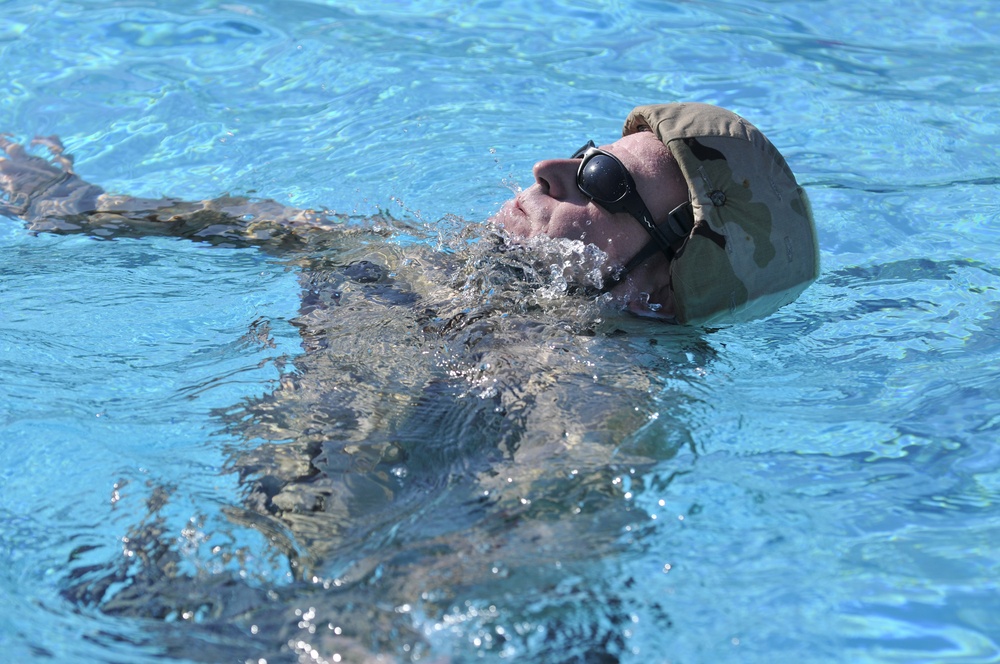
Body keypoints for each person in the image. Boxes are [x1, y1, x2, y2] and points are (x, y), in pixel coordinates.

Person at [2, 102, 819, 661]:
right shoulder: (408, 261)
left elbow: (546, 537)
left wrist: (364, 634)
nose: (548, 171)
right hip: (217, 578)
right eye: (582, 155)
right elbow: (244, 222)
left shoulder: (598, 393)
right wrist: (60, 198)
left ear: (661, 290)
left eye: (602, 182)